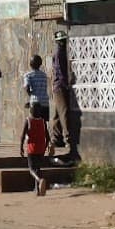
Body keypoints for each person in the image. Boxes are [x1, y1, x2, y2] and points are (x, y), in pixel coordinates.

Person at [48, 30, 80, 165]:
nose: (63, 43)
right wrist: (66, 84)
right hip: (60, 87)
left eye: (64, 41)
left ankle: (56, 138)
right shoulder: (60, 53)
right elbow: (61, 71)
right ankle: (68, 140)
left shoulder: (60, 53)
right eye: (62, 41)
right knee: (63, 112)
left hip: (57, 86)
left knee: (56, 115)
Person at [21, 54, 49, 156]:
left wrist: (30, 97)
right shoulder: (44, 75)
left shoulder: (28, 75)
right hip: (45, 102)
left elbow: (27, 88)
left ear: (30, 64)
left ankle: (32, 146)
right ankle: (47, 145)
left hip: (35, 103)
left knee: (32, 125)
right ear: (40, 64)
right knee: (44, 125)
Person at [24, 101, 50, 196]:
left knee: (31, 169)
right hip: (41, 149)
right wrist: (45, 147)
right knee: (38, 168)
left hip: (31, 148)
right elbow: (48, 137)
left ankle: (39, 180)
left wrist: (20, 148)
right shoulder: (43, 122)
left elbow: (22, 135)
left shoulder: (28, 121)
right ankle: (37, 189)